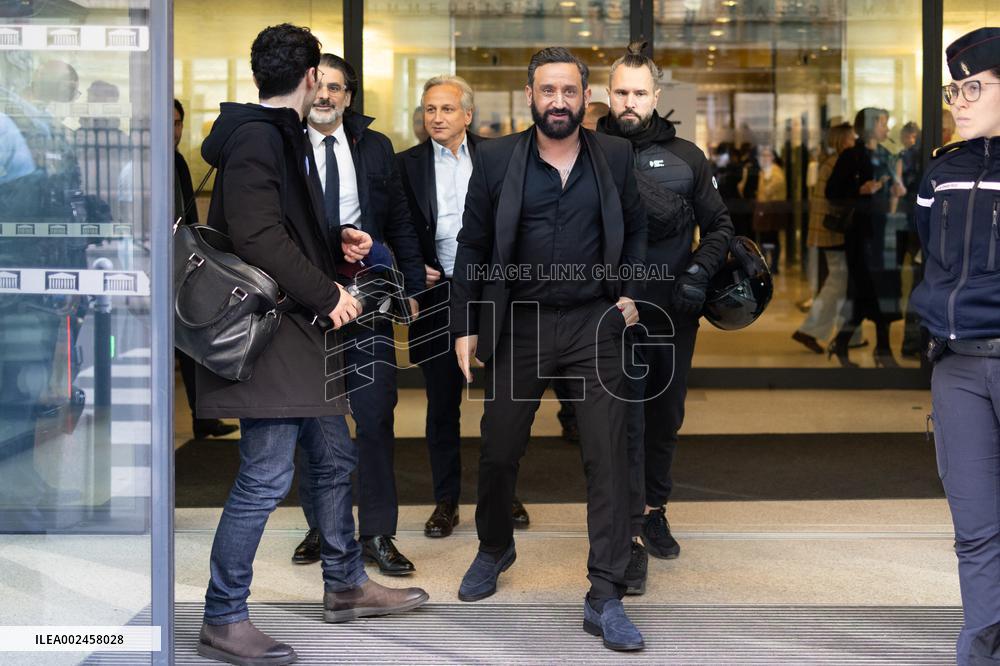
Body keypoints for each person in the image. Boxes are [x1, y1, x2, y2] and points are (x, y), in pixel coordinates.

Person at [194, 25, 427, 666]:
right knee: (265, 476)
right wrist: (330, 292)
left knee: (332, 459)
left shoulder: (275, 136)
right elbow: (258, 236)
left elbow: (284, 226)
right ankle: (223, 616)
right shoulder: (256, 140)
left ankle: (345, 584)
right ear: (308, 79)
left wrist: (335, 240)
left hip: (297, 332)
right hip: (275, 337)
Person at [450, 46, 648, 651]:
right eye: (546, 91)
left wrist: (632, 294)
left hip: (595, 323)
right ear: (530, 96)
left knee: (607, 456)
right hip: (522, 323)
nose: (557, 101)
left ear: (585, 98)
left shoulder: (613, 155)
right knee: (498, 447)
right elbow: (472, 244)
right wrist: (465, 324)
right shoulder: (496, 159)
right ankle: (493, 547)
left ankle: (605, 592)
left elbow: (637, 226)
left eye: (568, 91)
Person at [598, 41, 734, 590]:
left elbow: (720, 226)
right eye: (621, 92)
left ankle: (654, 510)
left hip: (671, 314)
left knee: (663, 418)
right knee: (614, 423)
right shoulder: (583, 149)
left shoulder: (686, 157)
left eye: (639, 93)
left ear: (656, 96)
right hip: (605, 314)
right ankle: (623, 527)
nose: (629, 102)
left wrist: (698, 274)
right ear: (607, 95)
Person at [290, 53, 425, 577]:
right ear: (306, 89)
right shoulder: (286, 143)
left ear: (349, 97)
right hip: (304, 305)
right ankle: (322, 527)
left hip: (365, 301)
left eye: (336, 88)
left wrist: (409, 286)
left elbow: (401, 223)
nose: (325, 95)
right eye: (318, 86)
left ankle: (377, 532)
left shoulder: (375, 148)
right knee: (311, 417)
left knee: (373, 416)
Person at [396, 75, 530, 539]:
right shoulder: (406, 165)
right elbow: (396, 227)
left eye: (447, 110)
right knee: (442, 405)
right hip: (438, 296)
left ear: (467, 115)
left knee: (504, 404)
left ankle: (501, 495)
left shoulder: (501, 157)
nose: (436, 118)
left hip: (494, 292)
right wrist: (413, 268)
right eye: (429, 109)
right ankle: (446, 501)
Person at [910, 27, 1000, 666]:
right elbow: (930, 257)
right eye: (954, 89)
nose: (957, 101)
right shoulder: (941, 170)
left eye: (972, 88)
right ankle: (981, 651)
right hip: (959, 366)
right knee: (976, 529)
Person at [172, 98, 239, 440]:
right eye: (168, 123)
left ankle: (203, 418)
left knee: (193, 342)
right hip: (161, 267)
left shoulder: (179, 161)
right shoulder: (144, 163)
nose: (174, 130)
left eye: (178, 123)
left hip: (184, 263)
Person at [826, 107, 905, 368]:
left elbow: (895, 190)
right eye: (883, 123)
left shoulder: (885, 155)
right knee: (865, 290)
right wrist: (859, 189)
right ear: (870, 126)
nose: (886, 128)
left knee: (880, 290)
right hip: (860, 234)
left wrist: (895, 189)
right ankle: (863, 346)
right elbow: (832, 192)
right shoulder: (852, 156)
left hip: (883, 231)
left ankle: (867, 347)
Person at [792, 122, 860, 354]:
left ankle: (850, 334)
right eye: (852, 137)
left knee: (841, 283)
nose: (855, 141)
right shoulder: (837, 163)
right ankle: (811, 330)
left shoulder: (829, 162)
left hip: (827, 231)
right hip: (833, 232)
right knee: (838, 282)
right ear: (843, 140)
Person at [744, 145, 786, 272]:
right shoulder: (765, 171)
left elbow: (773, 187)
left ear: (772, 157)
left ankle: (773, 265)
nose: (763, 159)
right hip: (764, 207)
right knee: (765, 237)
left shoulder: (775, 171)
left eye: (766, 156)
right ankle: (766, 263)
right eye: (762, 156)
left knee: (771, 236)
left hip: (771, 208)